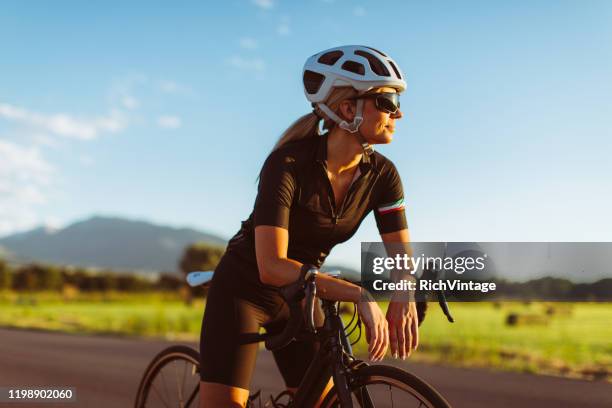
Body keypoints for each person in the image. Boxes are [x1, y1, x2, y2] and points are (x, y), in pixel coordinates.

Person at [199, 45, 419, 407]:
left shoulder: (384, 176)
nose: (399, 113)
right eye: (388, 101)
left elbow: (400, 255)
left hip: (302, 294)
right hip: (244, 289)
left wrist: (404, 291)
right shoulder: (286, 165)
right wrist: (358, 293)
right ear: (349, 109)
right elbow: (271, 267)